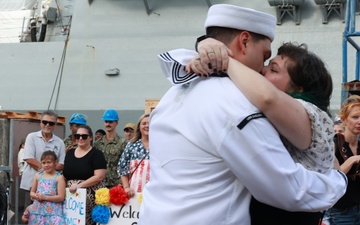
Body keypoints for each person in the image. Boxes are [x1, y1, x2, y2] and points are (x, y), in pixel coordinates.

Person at [139, 4, 347, 225]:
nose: (262, 68)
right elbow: (288, 189)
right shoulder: (235, 105)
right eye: (265, 56)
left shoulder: (174, 92)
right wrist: (338, 181)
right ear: (244, 41)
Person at [188, 41, 335, 224]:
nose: (263, 70)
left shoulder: (310, 114)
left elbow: (267, 97)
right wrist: (206, 51)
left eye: (274, 70)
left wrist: (224, 59)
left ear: (298, 89)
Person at [326, 95, 360, 225]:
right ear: (344, 120)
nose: (359, 121)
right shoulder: (334, 144)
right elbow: (331, 178)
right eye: (355, 117)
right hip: (339, 212)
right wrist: (352, 160)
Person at [20, 110, 65, 207]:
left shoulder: (60, 142)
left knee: (50, 216)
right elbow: (29, 158)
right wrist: (48, 169)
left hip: (52, 188)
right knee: (29, 216)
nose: (47, 125)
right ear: (40, 122)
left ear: (55, 125)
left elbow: (61, 163)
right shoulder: (31, 137)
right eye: (45, 122)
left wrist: (45, 170)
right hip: (31, 185)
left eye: (51, 123)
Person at [63, 125, 106, 225]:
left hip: (90, 201)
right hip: (71, 200)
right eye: (77, 136)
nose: (80, 138)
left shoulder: (97, 154)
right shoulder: (69, 153)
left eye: (84, 136)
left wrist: (79, 186)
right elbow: (65, 174)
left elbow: (99, 176)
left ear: (90, 138)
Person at [28, 150, 66, 225]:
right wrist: (35, 196)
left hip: (53, 212)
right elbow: (32, 192)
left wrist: (44, 197)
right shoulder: (38, 175)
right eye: (44, 163)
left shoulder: (59, 177)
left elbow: (61, 197)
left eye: (49, 162)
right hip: (37, 211)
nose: (46, 165)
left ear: (55, 162)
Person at [118, 114, 149, 198]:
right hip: (134, 193)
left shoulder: (161, 146)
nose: (147, 126)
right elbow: (122, 168)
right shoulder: (131, 145)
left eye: (150, 123)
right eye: (144, 123)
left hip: (155, 194)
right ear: (139, 127)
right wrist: (127, 187)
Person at [94, 109, 126, 188]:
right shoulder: (97, 143)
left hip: (116, 184)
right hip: (99, 184)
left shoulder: (123, 143)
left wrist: (122, 183)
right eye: (106, 121)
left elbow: (125, 165)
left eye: (111, 122)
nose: (108, 124)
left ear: (116, 123)